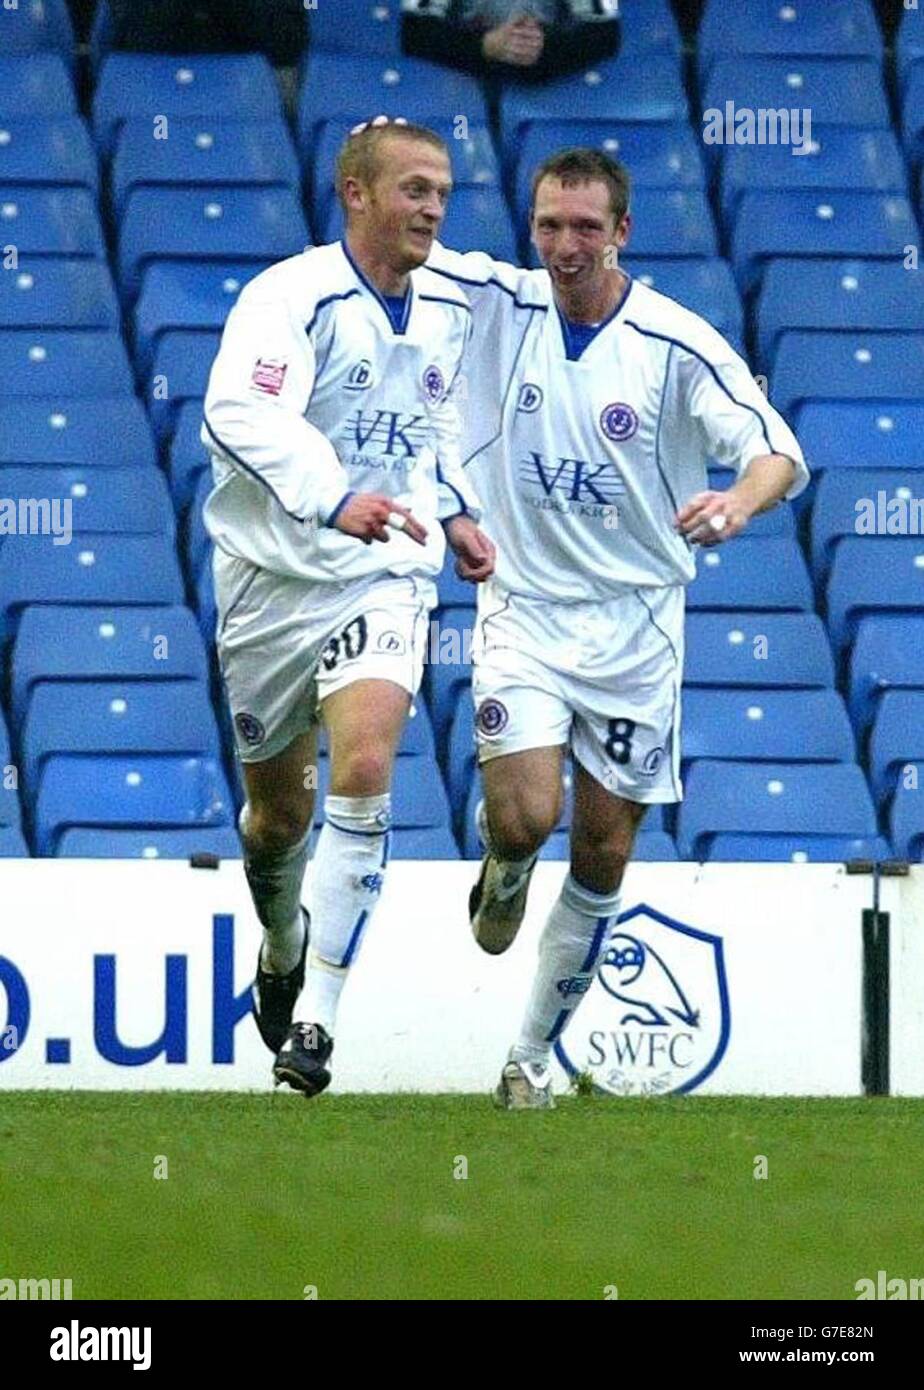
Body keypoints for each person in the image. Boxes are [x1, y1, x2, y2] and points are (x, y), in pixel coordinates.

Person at [426, 147, 808, 1109]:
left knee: (602, 851)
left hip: (638, 627)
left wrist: (735, 505)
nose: (564, 245)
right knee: (526, 816)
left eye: (586, 227)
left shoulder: (675, 345)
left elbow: (773, 451)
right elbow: (391, 256)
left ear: (623, 232)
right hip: (523, 604)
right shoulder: (495, 304)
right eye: (550, 224)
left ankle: (529, 1059)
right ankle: (504, 864)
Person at [202, 117, 495, 1097]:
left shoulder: (450, 303)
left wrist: (449, 511)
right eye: (414, 188)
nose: (432, 208)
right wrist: (330, 496)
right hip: (269, 580)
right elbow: (239, 411)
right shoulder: (290, 297)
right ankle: (282, 944)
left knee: (368, 762)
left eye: (442, 191)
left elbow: (437, 421)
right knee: (276, 817)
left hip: (385, 569)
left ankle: (316, 1022)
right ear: (356, 194)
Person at [401, 1, 620, 82]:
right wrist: (483, 46)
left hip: (552, 79)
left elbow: (604, 33)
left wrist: (538, 49)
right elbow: (416, 32)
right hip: (459, 80)